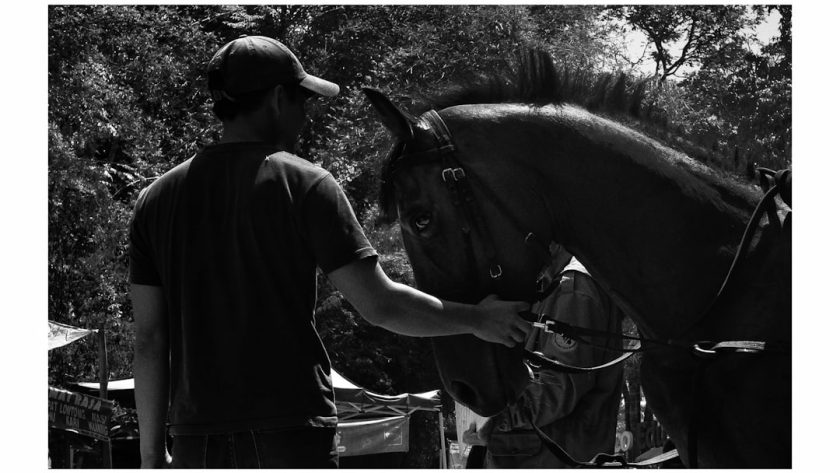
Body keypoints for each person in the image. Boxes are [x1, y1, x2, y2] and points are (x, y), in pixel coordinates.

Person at [128, 35, 531, 469]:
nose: (304, 115)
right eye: (302, 100)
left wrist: (151, 456)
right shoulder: (305, 184)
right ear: (278, 99)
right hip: (291, 435)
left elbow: (150, 340)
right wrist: (479, 320)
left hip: (193, 443)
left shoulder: (155, 200)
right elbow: (380, 305)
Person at [462, 243, 624, 468]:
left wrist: (495, 416)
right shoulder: (554, 283)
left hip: (552, 460)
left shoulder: (574, 288)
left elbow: (559, 385)